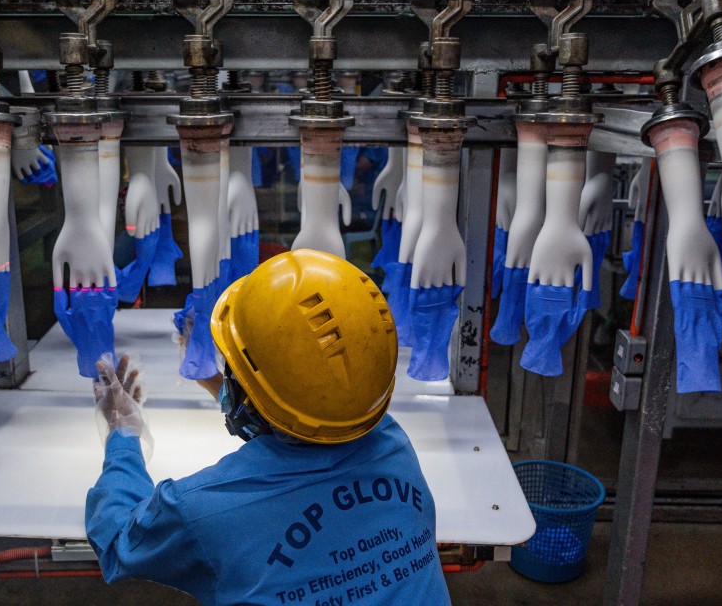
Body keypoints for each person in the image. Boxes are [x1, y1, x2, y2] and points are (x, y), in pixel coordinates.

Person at [85, 249, 450, 605]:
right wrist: (221, 384)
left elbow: (120, 545)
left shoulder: (200, 512)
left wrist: (123, 434)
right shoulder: (393, 443)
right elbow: (309, 419)